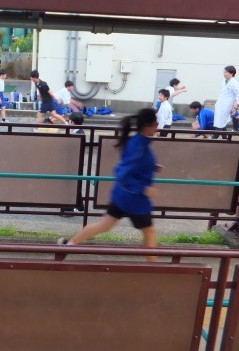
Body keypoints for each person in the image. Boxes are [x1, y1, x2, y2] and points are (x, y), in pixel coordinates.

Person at [57, 108, 162, 262]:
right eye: (155, 124)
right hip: (135, 200)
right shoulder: (140, 147)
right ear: (147, 125)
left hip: (122, 196)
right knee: (149, 232)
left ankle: (69, 245)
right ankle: (154, 268)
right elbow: (122, 172)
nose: (157, 126)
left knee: (104, 225)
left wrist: (152, 167)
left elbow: (131, 166)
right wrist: (143, 188)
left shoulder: (136, 142)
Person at [213, 65, 239, 137]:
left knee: (220, 123)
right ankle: (225, 139)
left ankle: (213, 139)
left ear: (231, 73)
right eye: (223, 72)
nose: (224, 74)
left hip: (227, 106)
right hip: (220, 105)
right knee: (221, 123)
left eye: (226, 72)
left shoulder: (234, 83)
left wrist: (235, 107)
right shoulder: (223, 82)